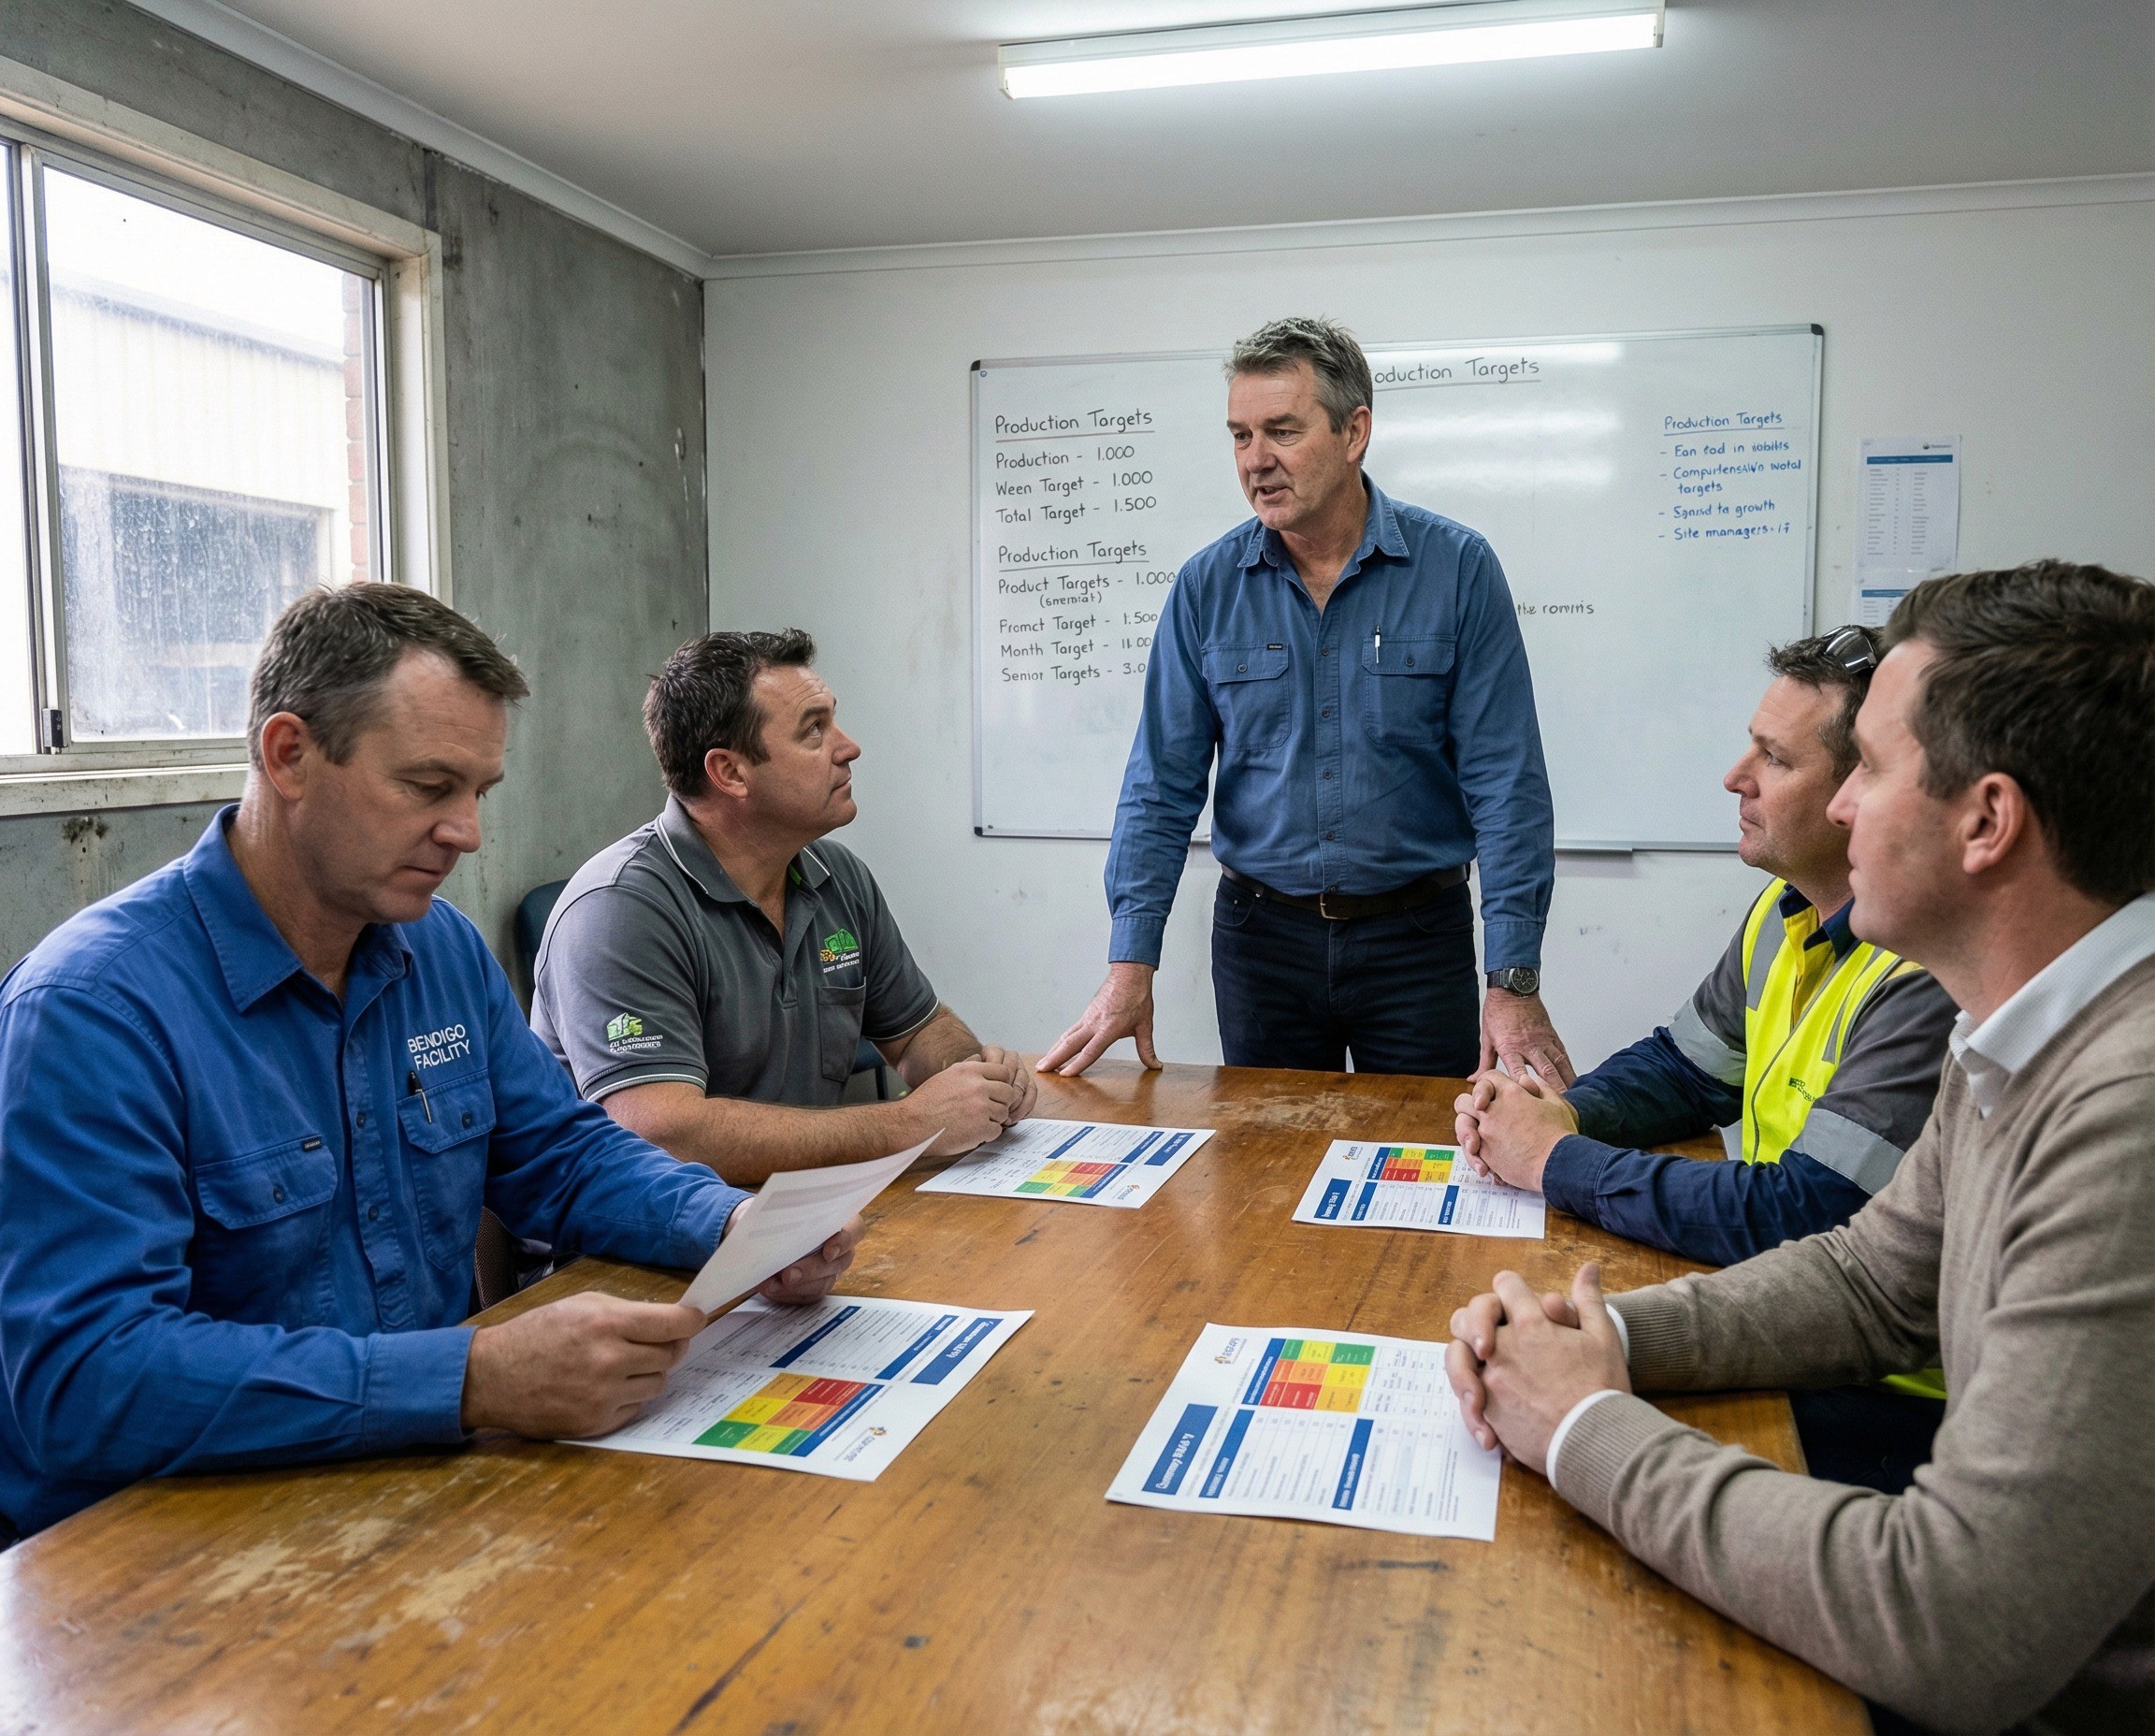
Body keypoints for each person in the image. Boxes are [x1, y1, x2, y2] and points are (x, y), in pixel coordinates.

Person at [1444, 560, 2155, 1734]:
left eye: (1867, 768)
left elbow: (1952, 1617)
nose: (1833, 807)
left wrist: (1581, 1423)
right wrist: (1605, 1332)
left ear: (1987, 821)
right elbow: (1873, 1276)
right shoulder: (2017, 1028)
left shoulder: (2124, 1107)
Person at [0, 585, 855, 1539]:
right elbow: (82, 1379)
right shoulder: (93, 1011)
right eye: (427, 786)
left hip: (418, 1486)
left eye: (479, 792)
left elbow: (565, 1156)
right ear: (289, 755)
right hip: (166, 1545)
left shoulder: (436, 949)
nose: (468, 832)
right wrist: (469, 1377)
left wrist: (736, 1225)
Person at [1454, 629, 1958, 1489]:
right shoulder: (1786, 912)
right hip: (1789, 1313)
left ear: (1857, 792)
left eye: (1774, 758)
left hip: (1890, 1388)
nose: (1736, 777)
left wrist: (1554, 1160)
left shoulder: (1926, 969)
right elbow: (1687, 1069)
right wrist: (1560, 1113)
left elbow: (1811, 1211)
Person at [1039, 315, 1567, 1085]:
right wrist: (1130, 963)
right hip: (1262, 945)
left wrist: (1513, 979)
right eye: (1240, 436)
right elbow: (1160, 787)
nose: (1256, 461)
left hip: (1417, 940)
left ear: (1354, 432)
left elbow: (1506, 782)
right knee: (1263, 1173)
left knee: (1426, 1164)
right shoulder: (1206, 587)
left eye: (1281, 431)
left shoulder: (1457, 570)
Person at [532, 629, 1036, 1187]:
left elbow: (919, 1031)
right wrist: (907, 1124)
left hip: (799, 1215)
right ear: (730, 772)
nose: (848, 747)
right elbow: (661, 1134)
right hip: (637, 1250)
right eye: (814, 731)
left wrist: (973, 1082)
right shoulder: (619, 909)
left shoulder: (835, 874)